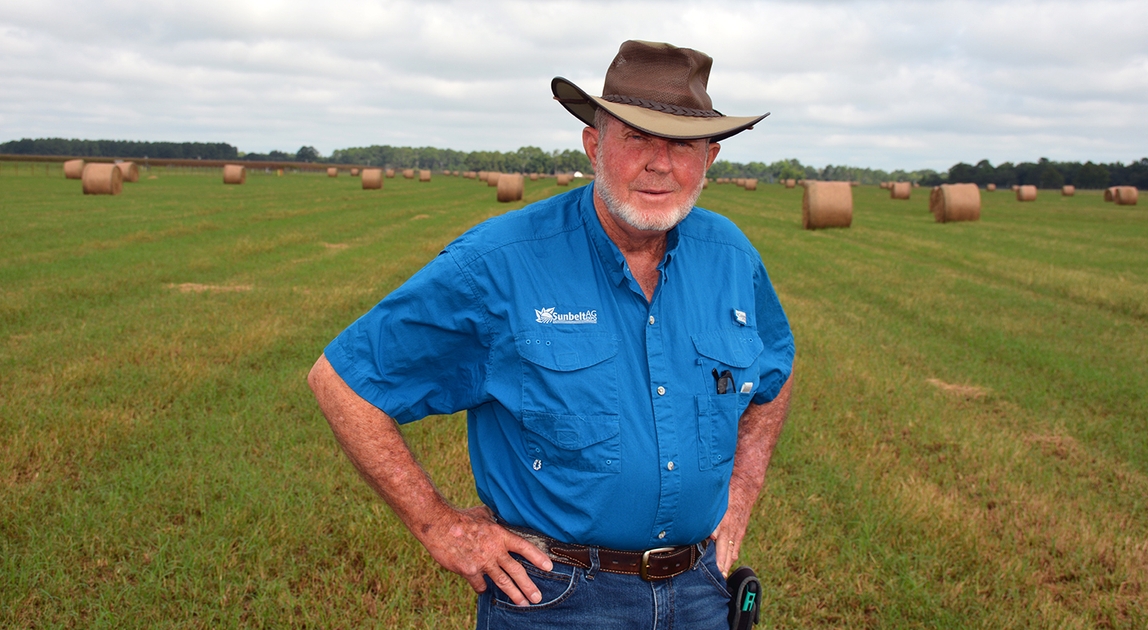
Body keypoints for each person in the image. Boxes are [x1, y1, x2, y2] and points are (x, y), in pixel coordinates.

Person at [308, 40, 794, 628]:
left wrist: (742, 490)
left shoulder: (731, 257)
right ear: (594, 145)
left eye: (682, 144)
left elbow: (774, 371)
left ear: (710, 159)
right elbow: (344, 382)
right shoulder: (499, 263)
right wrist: (441, 526)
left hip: (701, 594)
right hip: (556, 600)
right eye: (637, 137)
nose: (659, 163)